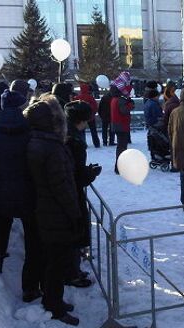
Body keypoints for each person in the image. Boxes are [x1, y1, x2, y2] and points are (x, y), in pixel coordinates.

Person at [0, 89, 44, 302]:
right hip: (29, 196)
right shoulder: (31, 136)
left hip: (1, 195)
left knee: (1, 230)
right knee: (34, 243)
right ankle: (30, 287)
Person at [25, 95, 82, 326]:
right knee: (56, 262)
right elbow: (61, 186)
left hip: (46, 210)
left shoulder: (38, 141)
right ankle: (54, 305)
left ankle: (53, 299)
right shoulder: (51, 148)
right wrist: (75, 214)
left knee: (52, 260)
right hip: (54, 213)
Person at [64, 100, 102, 288]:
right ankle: (72, 272)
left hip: (71, 191)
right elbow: (75, 174)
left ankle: (73, 268)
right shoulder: (74, 141)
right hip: (71, 193)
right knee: (75, 230)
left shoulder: (70, 134)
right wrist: (89, 174)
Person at [110, 72, 135, 174]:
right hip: (121, 125)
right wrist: (131, 105)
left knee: (121, 146)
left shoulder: (114, 99)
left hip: (117, 124)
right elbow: (124, 111)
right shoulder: (120, 100)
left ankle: (119, 166)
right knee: (122, 147)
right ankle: (119, 167)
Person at [74, 82, 101, 148]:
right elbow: (95, 106)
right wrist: (93, 113)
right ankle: (96, 143)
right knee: (93, 131)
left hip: (81, 117)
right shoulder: (90, 97)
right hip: (90, 117)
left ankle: (83, 143)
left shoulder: (77, 97)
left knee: (82, 131)